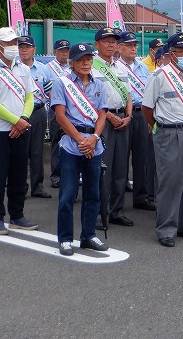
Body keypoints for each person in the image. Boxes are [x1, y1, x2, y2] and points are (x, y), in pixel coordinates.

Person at [142, 32, 183, 247]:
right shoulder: (160, 76)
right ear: (172, 53)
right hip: (168, 132)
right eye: (182, 51)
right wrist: (158, 125)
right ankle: (166, 229)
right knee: (170, 182)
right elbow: (146, 107)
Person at [50, 43, 109, 256]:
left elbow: (102, 115)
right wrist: (80, 141)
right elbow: (60, 116)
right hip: (71, 145)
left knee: (93, 193)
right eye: (81, 59)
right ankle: (65, 238)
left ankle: (88, 235)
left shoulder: (99, 85)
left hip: (94, 143)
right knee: (67, 194)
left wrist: (93, 138)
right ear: (72, 62)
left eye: (89, 59)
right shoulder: (62, 84)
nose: (86, 63)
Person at [0, 27, 39, 235]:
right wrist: (17, 121)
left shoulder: (23, 68)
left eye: (15, 42)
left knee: (18, 174)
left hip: (20, 129)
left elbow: (29, 98)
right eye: (8, 43)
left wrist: (23, 120)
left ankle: (17, 215)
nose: (14, 47)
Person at [92, 27, 134, 227]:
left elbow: (129, 94)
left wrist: (128, 115)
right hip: (103, 121)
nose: (111, 44)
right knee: (103, 168)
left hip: (122, 120)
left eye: (114, 41)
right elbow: (87, 97)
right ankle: (101, 213)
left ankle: (117, 211)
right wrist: (109, 116)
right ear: (97, 44)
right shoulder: (91, 66)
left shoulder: (121, 67)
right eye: (106, 41)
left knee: (121, 168)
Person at [117, 31, 155, 210]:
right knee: (120, 157)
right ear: (120, 47)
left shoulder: (142, 67)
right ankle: (117, 199)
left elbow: (148, 93)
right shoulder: (115, 67)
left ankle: (141, 196)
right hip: (122, 115)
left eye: (135, 45)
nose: (133, 48)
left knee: (142, 157)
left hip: (141, 113)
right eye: (129, 45)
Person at [18, 35, 52, 199]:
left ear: (34, 50)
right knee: (20, 151)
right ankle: (21, 187)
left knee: (37, 151)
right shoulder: (14, 68)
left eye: (27, 47)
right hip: (19, 113)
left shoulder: (43, 69)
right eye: (21, 47)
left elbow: (50, 91)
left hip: (38, 112)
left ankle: (37, 187)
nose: (24, 49)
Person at [45, 39, 71, 189]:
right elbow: (48, 91)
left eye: (67, 51)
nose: (65, 53)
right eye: (61, 51)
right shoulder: (48, 68)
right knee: (56, 143)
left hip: (73, 112)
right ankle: (56, 176)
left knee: (72, 143)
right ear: (55, 52)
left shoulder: (72, 67)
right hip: (56, 111)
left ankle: (72, 175)